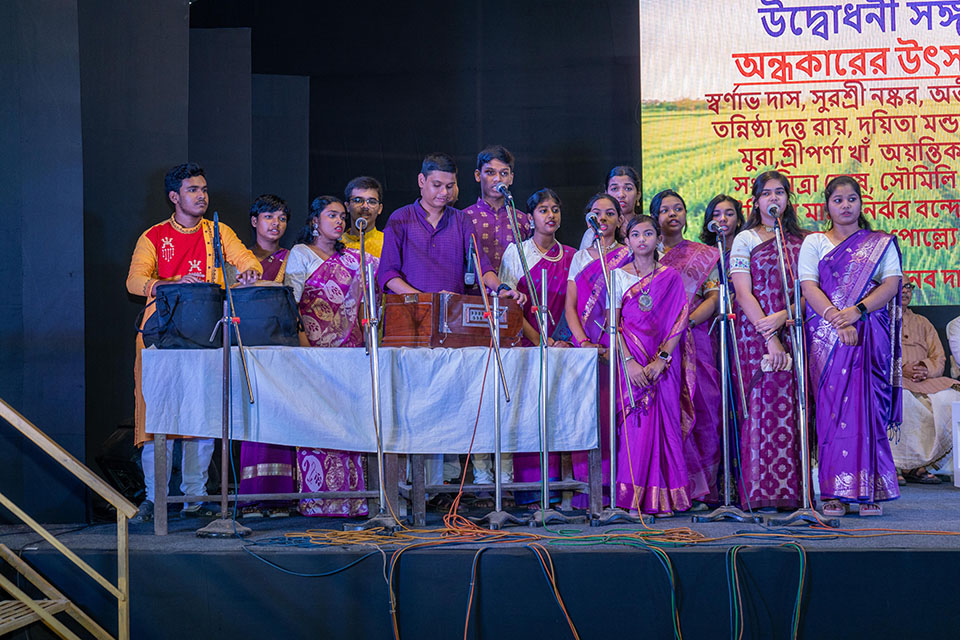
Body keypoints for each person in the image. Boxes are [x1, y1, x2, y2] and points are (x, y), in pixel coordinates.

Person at [376, 152, 525, 505]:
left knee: (447, 403)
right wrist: (424, 300)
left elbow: (482, 266)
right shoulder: (400, 218)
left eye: (450, 186)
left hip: (451, 327)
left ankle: (442, 489)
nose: (443, 192)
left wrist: (502, 288)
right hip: (410, 325)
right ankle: (410, 490)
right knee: (414, 406)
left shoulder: (461, 221)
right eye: (436, 185)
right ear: (421, 182)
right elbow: (388, 274)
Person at [126, 163, 262, 523]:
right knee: (158, 422)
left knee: (201, 419)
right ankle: (155, 499)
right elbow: (134, 281)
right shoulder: (154, 236)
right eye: (192, 190)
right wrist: (173, 283)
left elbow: (246, 259)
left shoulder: (218, 232)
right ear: (174, 196)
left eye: (203, 189)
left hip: (205, 335)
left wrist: (250, 270)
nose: (202, 196)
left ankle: (195, 499)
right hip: (161, 337)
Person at [799, 175, 902, 516]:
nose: (845, 205)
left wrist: (856, 312)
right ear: (827, 206)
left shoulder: (880, 243)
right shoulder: (815, 242)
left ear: (860, 203)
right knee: (831, 412)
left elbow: (891, 284)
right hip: (826, 337)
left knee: (868, 412)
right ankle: (833, 492)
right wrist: (836, 318)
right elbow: (809, 286)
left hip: (870, 331)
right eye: (838, 200)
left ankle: (869, 490)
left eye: (851, 199)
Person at [283, 195, 378, 516]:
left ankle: (354, 500)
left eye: (342, 217)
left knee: (351, 424)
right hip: (315, 353)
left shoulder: (356, 258)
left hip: (351, 355)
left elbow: (368, 302)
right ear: (315, 221)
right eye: (332, 215)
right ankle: (319, 501)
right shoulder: (301, 254)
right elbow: (292, 305)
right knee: (318, 423)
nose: (339, 221)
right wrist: (305, 350)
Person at [729, 170, 807, 511]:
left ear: (788, 198)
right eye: (766, 193)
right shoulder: (745, 239)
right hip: (755, 335)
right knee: (759, 409)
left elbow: (811, 290)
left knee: (794, 410)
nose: (773, 198)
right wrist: (771, 334)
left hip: (794, 330)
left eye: (779, 192)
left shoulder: (803, 242)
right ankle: (759, 493)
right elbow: (743, 293)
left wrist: (785, 316)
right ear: (756, 200)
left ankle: (794, 495)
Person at [613, 215, 698, 515]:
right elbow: (613, 326)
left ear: (658, 239)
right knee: (635, 429)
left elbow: (680, 320)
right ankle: (632, 499)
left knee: (667, 426)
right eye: (636, 234)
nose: (642, 239)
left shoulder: (670, 277)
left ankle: (668, 499)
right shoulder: (618, 277)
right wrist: (629, 363)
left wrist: (662, 359)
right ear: (627, 241)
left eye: (648, 233)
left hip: (663, 366)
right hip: (630, 364)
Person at [499, 188, 576, 506]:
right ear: (530, 217)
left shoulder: (571, 256)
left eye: (555, 209)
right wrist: (538, 339)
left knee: (559, 413)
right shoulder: (516, 253)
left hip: (561, 348)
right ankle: (529, 491)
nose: (551, 215)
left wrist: (560, 340)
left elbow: (576, 305)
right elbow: (509, 305)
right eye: (543, 209)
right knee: (528, 414)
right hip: (526, 347)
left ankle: (559, 490)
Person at [653, 189, 722, 504]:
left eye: (678, 208)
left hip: (695, 338)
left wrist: (686, 322)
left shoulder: (702, 255)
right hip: (655, 345)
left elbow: (714, 297)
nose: (673, 214)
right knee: (663, 414)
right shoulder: (645, 254)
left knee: (703, 410)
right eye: (665, 209)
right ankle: (666, 489)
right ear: (655, 216)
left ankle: (701, 491)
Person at [565, 193, 632, 508]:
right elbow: (570, 307)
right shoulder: (580, 258)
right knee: (591, 416)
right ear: (588, 218)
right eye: (596, 213)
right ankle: (591, 492)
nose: (602, 218)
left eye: (609, 213)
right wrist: (584, 343)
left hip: (624, 347)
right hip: (589, 349)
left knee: (621, 416)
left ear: (620, 220)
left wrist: (621, 345)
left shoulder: (630, 254)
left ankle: (624, 490)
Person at [237, 194, 295, 518]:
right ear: (254, 221)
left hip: (283, 349)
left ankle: (281, 498)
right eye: (269, 217)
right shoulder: (239, 260)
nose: (276, 224)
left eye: (282, 218)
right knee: (252, 423)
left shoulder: (292, 258)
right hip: (249, 349)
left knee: (282, 420)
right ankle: (250, 498)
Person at [891, 282, 960, 484]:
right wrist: (900, 369)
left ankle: (923, 465)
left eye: (909, 287)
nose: (905, 291)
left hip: (925, 379)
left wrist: (925, 369)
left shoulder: (923, 322)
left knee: (951, 398)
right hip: (894, 378)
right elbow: (876, 356)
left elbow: (939, 357)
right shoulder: (882, 320)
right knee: (902, 400)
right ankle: (898, 465)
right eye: (900, 286)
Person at [463, 145, 532, 270]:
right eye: (490, 172)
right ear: (478, 175)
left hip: (515, 284)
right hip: (473, 283)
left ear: (511, 178)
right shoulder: (464, 217)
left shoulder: (522, 220)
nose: (497, 179)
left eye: (504, 173)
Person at [578, 166, 642, 250]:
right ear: (606, 193)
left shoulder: (647, 226)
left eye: (628, 188)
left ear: (638, 195)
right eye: (614, 189)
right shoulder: (594, 232)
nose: (621, 195)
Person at [342, 176, 386, 258]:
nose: (365, 206)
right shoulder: (336, 243)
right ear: (347, 206)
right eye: (358, 200)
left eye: (372, 202)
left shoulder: (388, 243)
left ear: (380, 209)